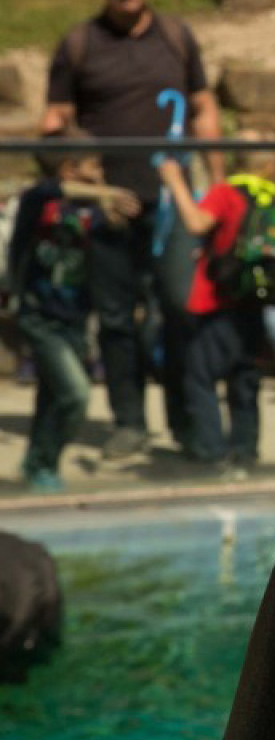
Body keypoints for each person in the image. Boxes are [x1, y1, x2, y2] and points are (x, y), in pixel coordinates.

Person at [41, 0, 224, 461]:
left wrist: (215, 186)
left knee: (178, 312)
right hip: (106, 206)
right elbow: (55, 121)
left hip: (174, 207)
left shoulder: (176, 38)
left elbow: (203, 108)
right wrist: (85, 184)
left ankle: (188, 424)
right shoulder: (78, 43)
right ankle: (128, 423)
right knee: (116, 320)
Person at [9, 132, 139, 493]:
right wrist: (105, 192)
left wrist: (114, 220)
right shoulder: (38, 201)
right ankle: (44, 463)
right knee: (75, 395)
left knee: (51, 395)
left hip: (75, 318)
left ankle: (37, 463)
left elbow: (113, 247)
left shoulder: (93, 210)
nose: (101, 173)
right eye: (94, 165)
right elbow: (47, 191)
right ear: (71, 168)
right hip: (38, 315)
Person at [158, 141, 275, 477]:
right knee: (245, 379)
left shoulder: (227, 192)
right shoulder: (270, 196)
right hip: (254, 302)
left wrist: (175, 182)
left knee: (199, 377)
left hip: (219, 302)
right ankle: (245, 453)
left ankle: (211, 454)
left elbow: (198, 223)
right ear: (269, 167)